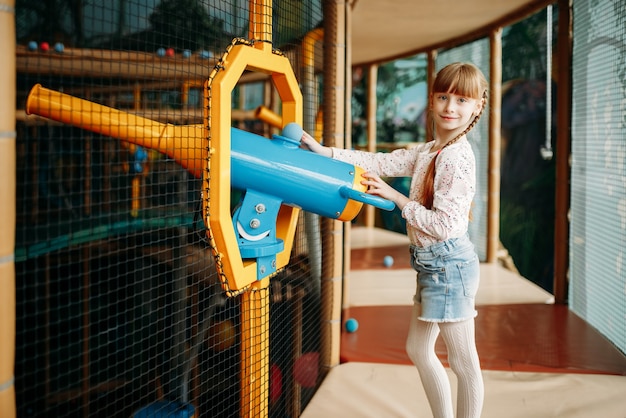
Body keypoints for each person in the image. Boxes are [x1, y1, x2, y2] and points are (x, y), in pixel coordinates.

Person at [300, 62, 488, 418]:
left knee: (464, 363)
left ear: (477, 106)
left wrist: (397, 199)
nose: (451, 107)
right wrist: (324, 152)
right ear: (432, 100)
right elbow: (380, 161)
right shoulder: (431, 150)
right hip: (433, 265)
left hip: (449, 266)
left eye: (462, 100)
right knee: (419, 349)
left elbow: (445, 226)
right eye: (444, 96)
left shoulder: (457, 158)